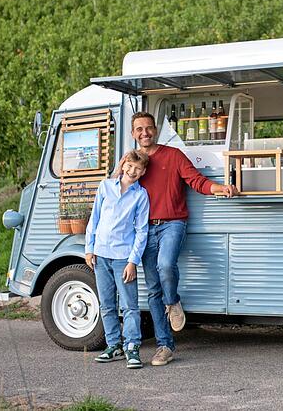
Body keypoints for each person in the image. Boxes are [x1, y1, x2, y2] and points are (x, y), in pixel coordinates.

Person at [131, 111, 237, 366]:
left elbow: (196, 181)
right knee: (153, 289)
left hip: (172, 224)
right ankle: (164, 346)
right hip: (144, 229)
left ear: (155, 130)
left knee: (166, 265)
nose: (144, 133)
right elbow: (119, 189)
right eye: (139, 129)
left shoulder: (173, 155)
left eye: (148, 128)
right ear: (133, 134)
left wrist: (219, 188)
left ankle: (173, 301)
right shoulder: (133, 161)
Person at [85, 149, 150, 369]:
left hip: (123, 258)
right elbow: (94, 219)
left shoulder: (140, 196)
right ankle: (114, 345)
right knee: (107, 304)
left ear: (142, 172)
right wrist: (89, 248)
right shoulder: (105, 187)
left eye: (138, 168)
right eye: (130, 166)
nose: (132, 171)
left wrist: (133, 261)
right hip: (101, 255)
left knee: (130, 305)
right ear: (123, 165)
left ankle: (132, 347)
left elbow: (142, 231)